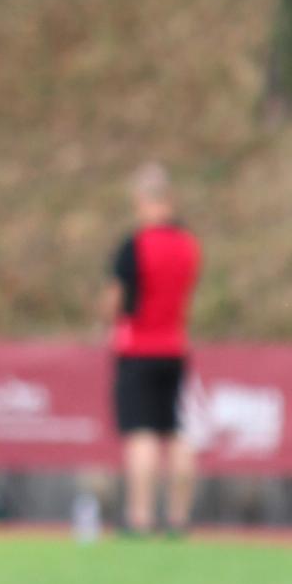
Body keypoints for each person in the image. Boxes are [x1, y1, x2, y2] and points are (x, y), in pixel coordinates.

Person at [101, 163, 201, 536]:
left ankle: (140, 517)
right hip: (175, 347)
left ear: (142, 200)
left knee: (141, 432)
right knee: (175, 431)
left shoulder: (136, 245)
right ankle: (178, 517)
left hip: (138, 348)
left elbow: (115, 300)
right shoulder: (189, 245)